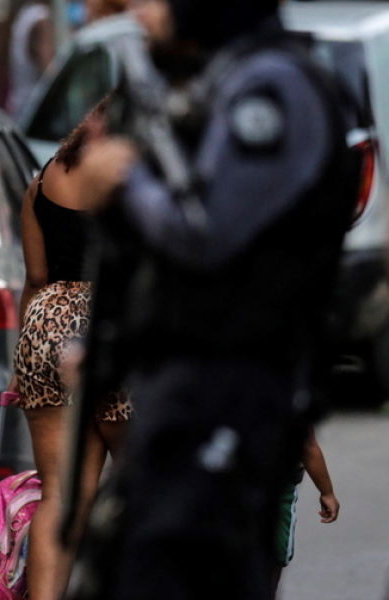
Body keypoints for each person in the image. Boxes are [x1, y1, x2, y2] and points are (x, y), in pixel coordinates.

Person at [76, 0, 361, 597]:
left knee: (182, 569)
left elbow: (204, 233)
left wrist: (127, 179)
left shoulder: (273, 86)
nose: (144, 16)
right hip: (189, 391)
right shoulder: (226, 79)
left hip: (232, 392)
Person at [10, 97, 131, 600]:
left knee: (58, 496)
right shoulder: (132, 178)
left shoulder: (41, 183)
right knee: (149, 485)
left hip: (44, 327)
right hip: (110, 326)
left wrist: (21, 360)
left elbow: (35, 278)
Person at [272, 428, 340, 593]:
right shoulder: (288, 402)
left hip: (215, 490)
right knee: (272, 560)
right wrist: (327, 492)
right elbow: (307, 445)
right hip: (275, 491)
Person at [7, 1, 53, 115]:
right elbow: (48, 69)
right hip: (35, 106)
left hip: (19, 102)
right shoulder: (40, 18)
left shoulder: (24, 15)